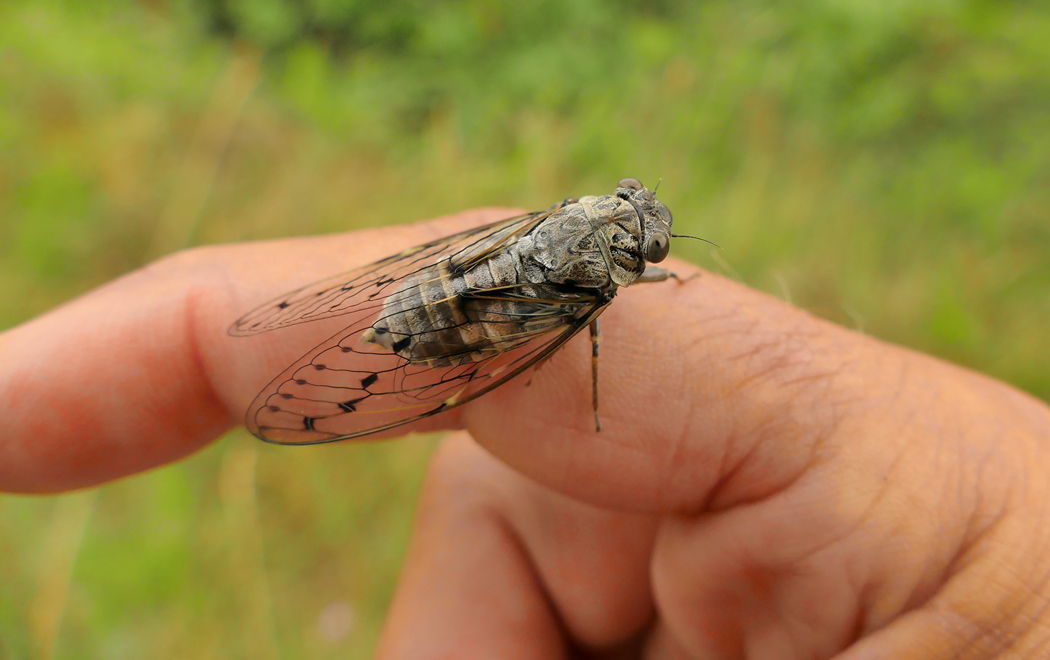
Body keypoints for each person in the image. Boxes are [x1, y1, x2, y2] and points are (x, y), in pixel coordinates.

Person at [2, 210, 1048, 659]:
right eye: (636, 234)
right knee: (522, 326)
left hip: (462, 286)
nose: (639, 242)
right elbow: (567, 337)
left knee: (487, 301)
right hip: (457, 313)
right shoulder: (598, 288)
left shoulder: (586, 251)